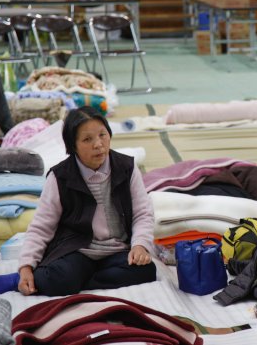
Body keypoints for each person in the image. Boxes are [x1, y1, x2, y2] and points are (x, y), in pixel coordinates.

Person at [18, 106, 156, 296]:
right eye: (87, 139)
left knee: (146, 270)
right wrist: (26, 266)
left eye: (102, 135)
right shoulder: (60, 177)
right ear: (72, 145)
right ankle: (77, 278)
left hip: (118, 250)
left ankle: (80, 281)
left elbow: (143, 213)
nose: (98, 144)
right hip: (78, 250)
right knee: (53, 279)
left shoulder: (127, 168)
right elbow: (42, 226)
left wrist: (140, 245)